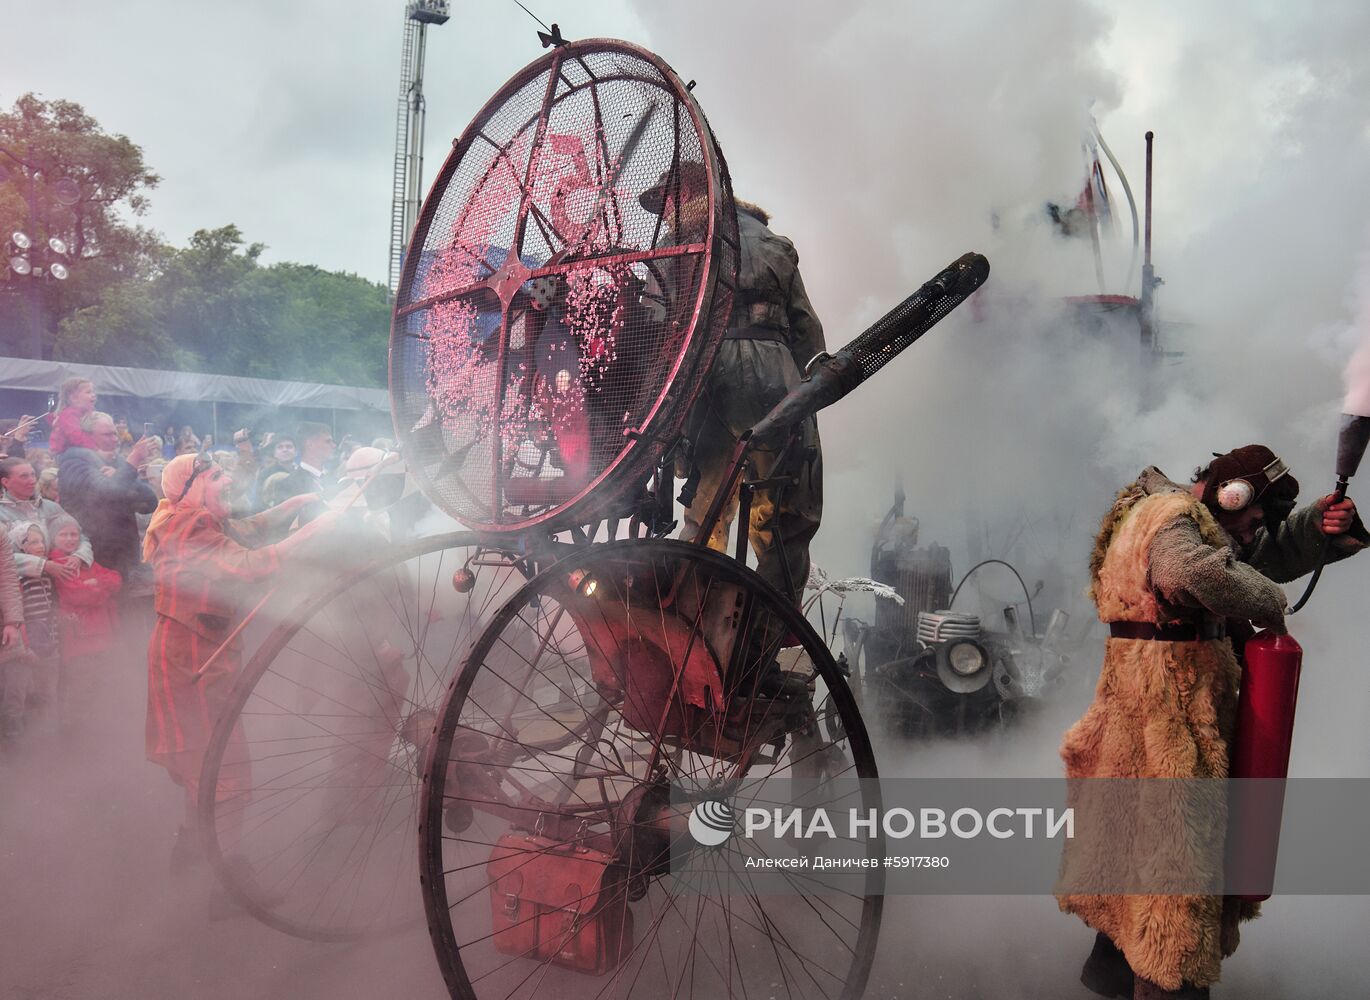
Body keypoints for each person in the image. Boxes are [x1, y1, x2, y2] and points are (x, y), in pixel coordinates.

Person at [1059, 445, 1367, 1000]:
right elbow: (1189, 572)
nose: (1253, 532)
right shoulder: (1171, 518)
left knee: (1143, 869)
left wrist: (1317, 528)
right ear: (1232, 493)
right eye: (1252, 518)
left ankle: (1113, 978)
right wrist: (1272, 600)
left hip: (1157, 719)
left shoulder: (1187, 517)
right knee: (1177, 886)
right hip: (1168, 727)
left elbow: (1240, 557)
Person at [643, 164, 826, 608]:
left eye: (668, 202)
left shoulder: (673, 247)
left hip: (706, 380)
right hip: (776, 375)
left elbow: (653, 327)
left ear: (688, 197)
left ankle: (698, 621)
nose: (665, 213)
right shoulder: (774, 244)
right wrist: (803, 392)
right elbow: (807, 331)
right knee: (784, 511)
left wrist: (655, 406)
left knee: (706, 510)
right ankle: (767, 630)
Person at [142, 452, 336, 869]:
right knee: (222, 768)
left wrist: (290, 507)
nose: (227, 480)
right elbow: (249, 563)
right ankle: (227, 877)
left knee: (204, 763)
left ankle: (190, 849)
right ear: (192, 487)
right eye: (215, 476)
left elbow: (243, 530)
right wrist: (315, 532)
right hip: (192, 661)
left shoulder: (193, 517)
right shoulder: (186, 524)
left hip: (194, 655)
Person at [56, 411, 159, 583]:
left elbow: (149, 503)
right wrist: (133, 460)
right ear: (87, 436)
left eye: (115, 433)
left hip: (123, 553)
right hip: (92, 553)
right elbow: (107, 494)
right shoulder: (73, 463)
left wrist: (122, 474)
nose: (115, 439)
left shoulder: (116, 461)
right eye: (107, 434)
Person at [47, 515, 121, 722]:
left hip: (99, 635)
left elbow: (116, 579)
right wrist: (101, 588)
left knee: (98, 686)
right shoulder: (57, 562)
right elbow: (78, 595)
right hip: (79, 638)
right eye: (64, 534)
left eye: (74, 534)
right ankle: (78, 734)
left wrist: (96, 582)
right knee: (81, 688)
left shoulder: (85, 562)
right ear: (53, 538)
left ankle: (94, 729)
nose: (70, 539)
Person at [0, 456, 94, 584]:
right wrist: (43, 565)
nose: (32, 480)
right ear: (5, 482)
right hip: (18, 589)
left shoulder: (52, 508)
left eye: (33, 475)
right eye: (24, 476)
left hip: (61, 587)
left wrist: (79, 556)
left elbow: (81, 537)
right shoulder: (2, 514)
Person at [4, 523, 56, 736]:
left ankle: (39, 740)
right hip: (25, 648)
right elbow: (24, 617)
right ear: (20, 546)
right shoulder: (20, 580)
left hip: (46, 646)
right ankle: (13, 743)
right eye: (33, 541)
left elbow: (49, 614)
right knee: (16, 695)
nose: (40, 545)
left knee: (41, 693)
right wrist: (27, 647)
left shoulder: (46, 576)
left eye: (42, 540)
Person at [47, 377, 99, 455]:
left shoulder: (87, 414)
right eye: (88, 392)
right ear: (74, 398)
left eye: (93, 392)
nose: (93, 395)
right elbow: (76, 436)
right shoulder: (68, 415)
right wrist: (96, 448)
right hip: (66, 453)